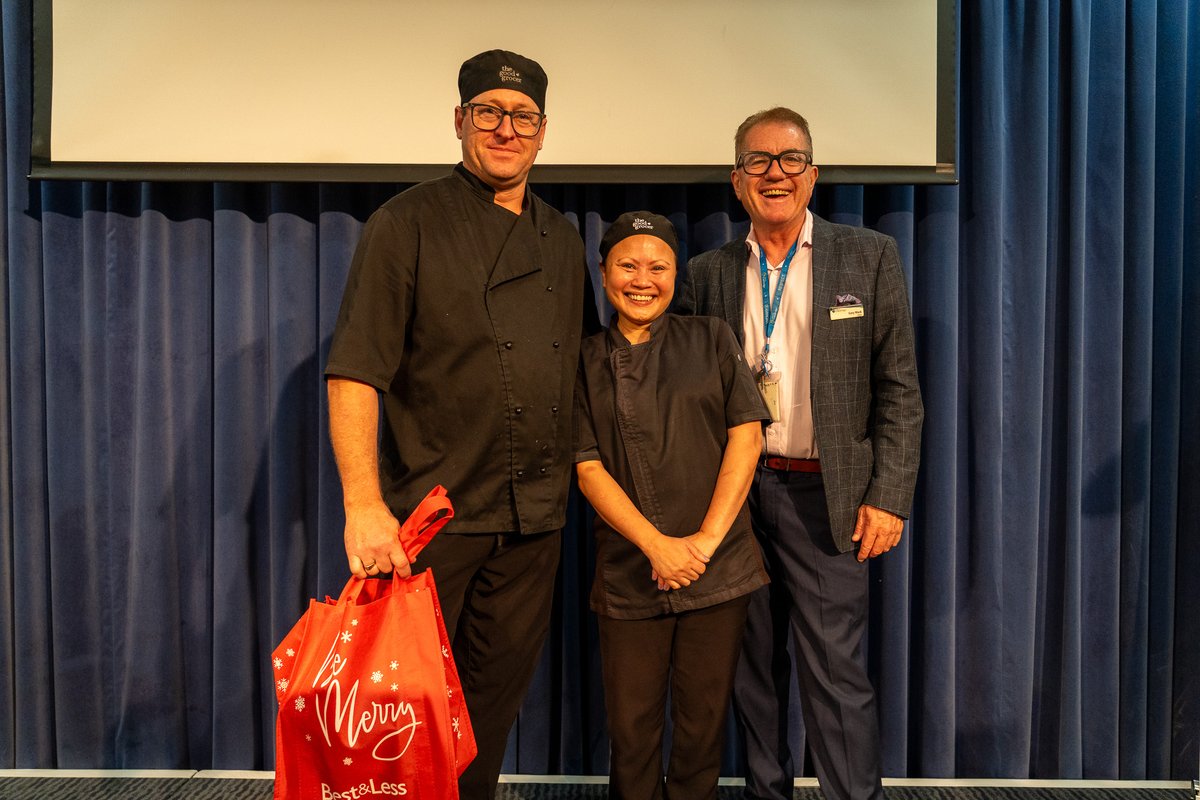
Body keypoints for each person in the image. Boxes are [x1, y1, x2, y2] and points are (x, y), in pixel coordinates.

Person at [323, 49, 595, 799]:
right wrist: (363, 504)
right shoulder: (404, 222)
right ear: (459, 121)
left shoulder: (563, 240)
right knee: (408, 711)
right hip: (435, 516)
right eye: (489, 113)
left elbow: (584, 373)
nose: (506, 129)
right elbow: (355, 370)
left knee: (489, 710)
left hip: (536, 518)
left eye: (523, 117)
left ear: (543, 134)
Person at [674, 108, 924, 800]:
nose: (774, 172)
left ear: (812, 175)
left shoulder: (869, 257)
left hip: (829, 497)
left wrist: (889, 495)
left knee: (835, 674)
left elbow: (898, 388)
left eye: (789, 160)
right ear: (737, 180)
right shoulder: (706, 273)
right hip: (739, 498)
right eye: (758, 161)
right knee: (751, 669)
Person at [574, 211, 770, 799]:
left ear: (675, 274)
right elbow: (586, 467)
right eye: (627, 265)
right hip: (631, 569)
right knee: (631, 731)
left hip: (720, 564)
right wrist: (658, 546)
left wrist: (703, 545)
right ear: (604, 274)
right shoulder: (582, 360)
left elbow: (748, 434)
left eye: (657, 266)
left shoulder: (710, 336)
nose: (643, 279)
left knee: (702, 724)